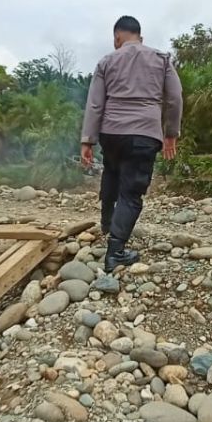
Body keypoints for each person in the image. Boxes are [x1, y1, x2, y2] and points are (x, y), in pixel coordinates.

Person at [81, 15, 183, 270]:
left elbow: (95, 104)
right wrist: (171, 132)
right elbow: (175, 98)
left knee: (112, 171)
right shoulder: (162, 59)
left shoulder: (106, 61)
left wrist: (88, 141)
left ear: (117, 37)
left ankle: (107, 222)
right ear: (140, 37)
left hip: (111, 132)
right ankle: (115, 252)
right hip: (144, 133)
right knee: (131, 192)